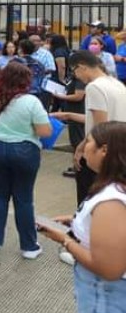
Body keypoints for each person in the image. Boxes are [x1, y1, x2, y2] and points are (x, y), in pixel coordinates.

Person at [37, 122, 126, 313]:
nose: (84, 147)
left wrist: (65, 240)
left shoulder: (110, 201)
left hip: (105, 294)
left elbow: (109, 268)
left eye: (89, 142)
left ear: (104, 151)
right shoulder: (115, 189)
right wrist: (76, 221)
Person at [0, 62, 51, 259]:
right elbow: (44, 131)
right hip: (25, 150)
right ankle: (29, 246)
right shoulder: (31, 102)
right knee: (24, 198)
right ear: (26, 81)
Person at [51, 50, 126, 205]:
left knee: (88, 199)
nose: (76, 76)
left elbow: (100, 126)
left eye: (75, 71)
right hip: (118, 148)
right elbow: (103, 118)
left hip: (99, 151)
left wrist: (81, 147)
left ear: (82, 66)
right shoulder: (116, 84)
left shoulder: (94, 88)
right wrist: (69, 115)